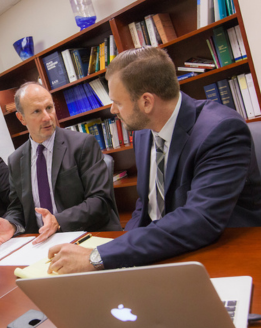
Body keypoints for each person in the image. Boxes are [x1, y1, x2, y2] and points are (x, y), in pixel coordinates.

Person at [48, 47, 261, 274]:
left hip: (224, 252)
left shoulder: (221, 131)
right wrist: (119, 249)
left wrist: (98, 256)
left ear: (146, 102)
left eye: (117, 102)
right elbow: (147, 204)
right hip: (164, 251)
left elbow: (200, 219)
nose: (112, 110)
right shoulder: (143, 132)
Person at [0, 82, 121, 246]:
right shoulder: (15, 159)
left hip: (84, 235)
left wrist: (58, 220)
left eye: (49, 108)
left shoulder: (83, 144)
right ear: (21, 118)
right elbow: (17, 208)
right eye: (36, 111)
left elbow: (101, 201)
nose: (47, 117)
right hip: (41, 242)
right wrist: (11, 223)